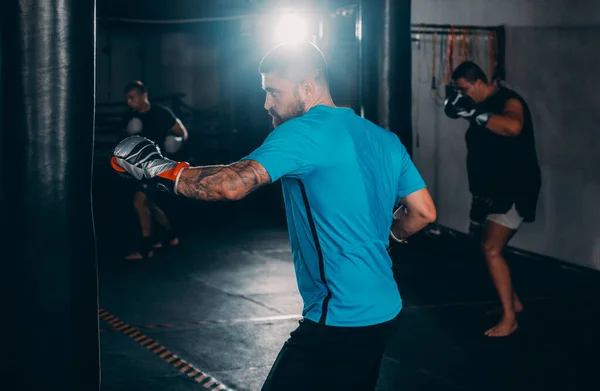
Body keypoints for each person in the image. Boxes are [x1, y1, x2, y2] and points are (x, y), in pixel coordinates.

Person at [111, 42, 436, 390]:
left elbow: (230, 184)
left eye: (273, 91)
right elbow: (423, 212)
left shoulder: (302, 131)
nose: (267, 103)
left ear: (307, 89)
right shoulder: (383, 138)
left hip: (340, 317)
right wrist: (385, 239)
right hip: (386, 309)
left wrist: (157, 168)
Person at [444, 61, 542, 337]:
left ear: (478, 82)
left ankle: (509, 319)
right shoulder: (475, 108)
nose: (462, 95)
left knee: (491, 248)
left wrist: (475, 113)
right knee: (481, 245)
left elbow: (513, 127)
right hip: (489, 191)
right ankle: (513, 302)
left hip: (513, 189)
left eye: (464, 89)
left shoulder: (508, 100)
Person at [119, 81, 189, 260]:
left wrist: (177, 142)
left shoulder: (162, 113)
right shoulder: (128, 116)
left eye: (132, 97)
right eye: (127, 98)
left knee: (139, 201)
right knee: (148, 204)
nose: (129, 101)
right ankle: (170, 235)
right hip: (138, 167)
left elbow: (183, 132)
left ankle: (145, 249)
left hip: (158, 167)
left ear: (143, 95)